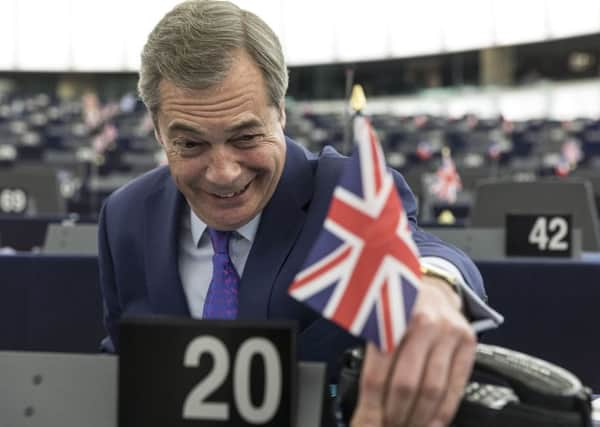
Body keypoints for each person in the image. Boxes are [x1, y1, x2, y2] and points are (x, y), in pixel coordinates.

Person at [97, 1, 501, 425]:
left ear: (281, 112)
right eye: (190, 144)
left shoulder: (347, 190)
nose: (223, 173)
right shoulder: (124, 217)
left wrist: (431, 288)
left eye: (246, 136)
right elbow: (123, 358)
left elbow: (422, 252)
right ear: (158, 129)